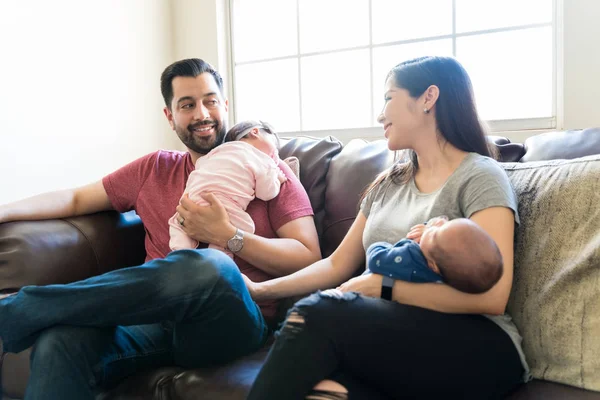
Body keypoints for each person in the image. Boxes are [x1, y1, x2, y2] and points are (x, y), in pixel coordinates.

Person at [0, 58, 321, 400]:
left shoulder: (267, 168)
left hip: (233, 321)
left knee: (212, 266)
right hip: (155, 325)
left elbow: (307, 256)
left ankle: (22, 309)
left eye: (210, 100)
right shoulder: (155, 169)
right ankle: (28, 312)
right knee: (59, 341)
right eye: (187, 104)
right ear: (170, 116)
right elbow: (76, 199)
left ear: (224, 105)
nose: (202, 113)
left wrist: (230, 237)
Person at [244, 56, 530, 400]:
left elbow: (493, 297)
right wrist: (259, 291)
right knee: (323, 393)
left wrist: (385, 288)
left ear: (428, 98)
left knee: (316, 313)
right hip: (398, 342)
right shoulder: (388, 183)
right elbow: (336, 265)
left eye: (388, 98)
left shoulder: (480, 176)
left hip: (479, 345)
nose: (380, 114)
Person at [169, 119, 287, 256]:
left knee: (178, 224)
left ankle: (180, 252)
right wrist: (277, 180)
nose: (276, 155)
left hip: (193, 199)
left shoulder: (216, 152)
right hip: (225, 204)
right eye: (275, 148)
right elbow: (266, 193)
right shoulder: (262, 160)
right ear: (255, 132)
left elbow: (199, 168)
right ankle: (219, 255)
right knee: (246, 226)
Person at [366, 216, 503, 294]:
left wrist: (385, 245)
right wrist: (431, 230)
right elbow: (442, 244)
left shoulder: (411, 256)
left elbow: (375, 258)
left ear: (433, 266)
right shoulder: (448, 273)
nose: (432, 227)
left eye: (433, 233)